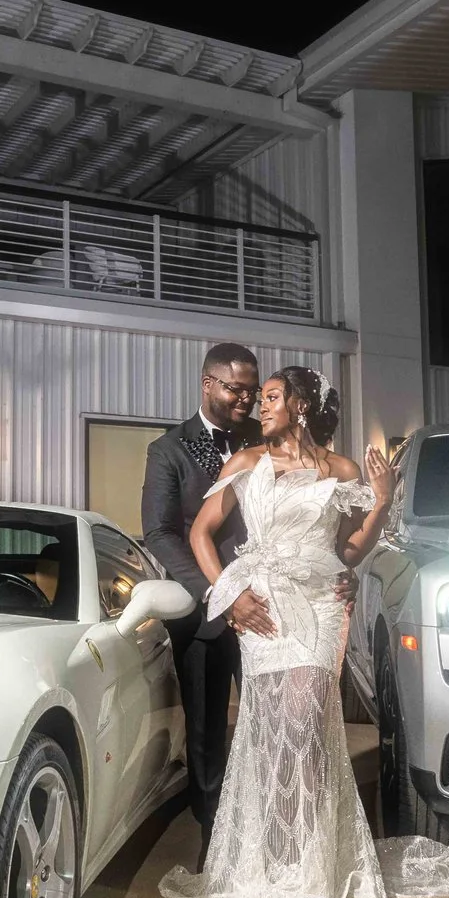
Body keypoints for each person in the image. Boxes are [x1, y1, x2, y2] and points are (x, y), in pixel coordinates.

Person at [158, 367, 449, 898]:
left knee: (306, 726)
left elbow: (351, 550)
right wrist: (230, 596)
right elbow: (200, 535)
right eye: (260, 399)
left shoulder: (343, 471)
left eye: (272, 397)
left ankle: (312, 868)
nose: (261, 407)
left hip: (320, 608)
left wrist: (379, 503)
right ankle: (277, 861)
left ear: (300, 406)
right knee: (270, 734)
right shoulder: (246, 463)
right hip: (263, 610)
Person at [140, 344, 265, 831]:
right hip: (205, 611)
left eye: (253, 392)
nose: (246, 401)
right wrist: (219, 590)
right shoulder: (169, 449)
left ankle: (265, 823)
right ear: (208, 384)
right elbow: (160, 533)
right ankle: (212, 833)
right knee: (207, 731)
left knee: (271, 723)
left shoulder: (265, 439)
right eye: (236, 389)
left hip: (269, 604)